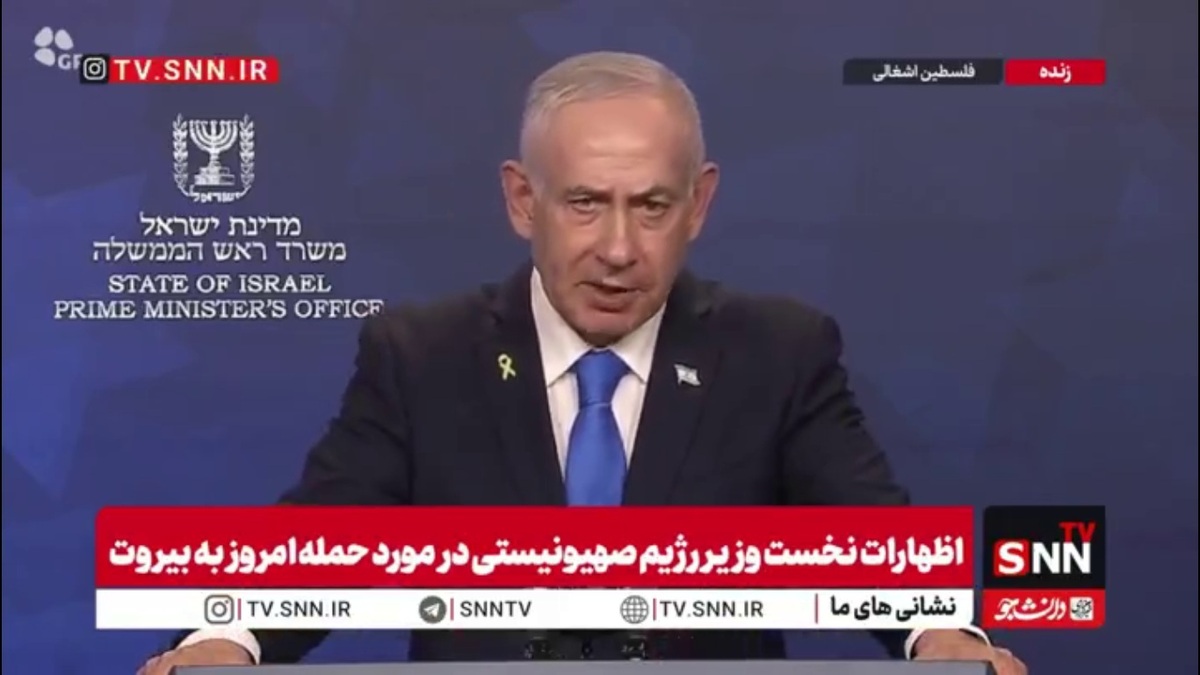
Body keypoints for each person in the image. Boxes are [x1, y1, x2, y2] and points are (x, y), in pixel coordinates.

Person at [138, 52, 1026, 674]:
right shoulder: (422, 358)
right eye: (586, 204)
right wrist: (225, 643)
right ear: (522, 200)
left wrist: (944, 638)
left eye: (652, 206)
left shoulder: (778, 352)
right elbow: (316, 549)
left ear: (699, 204)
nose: (619, 248)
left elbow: (873, 545)